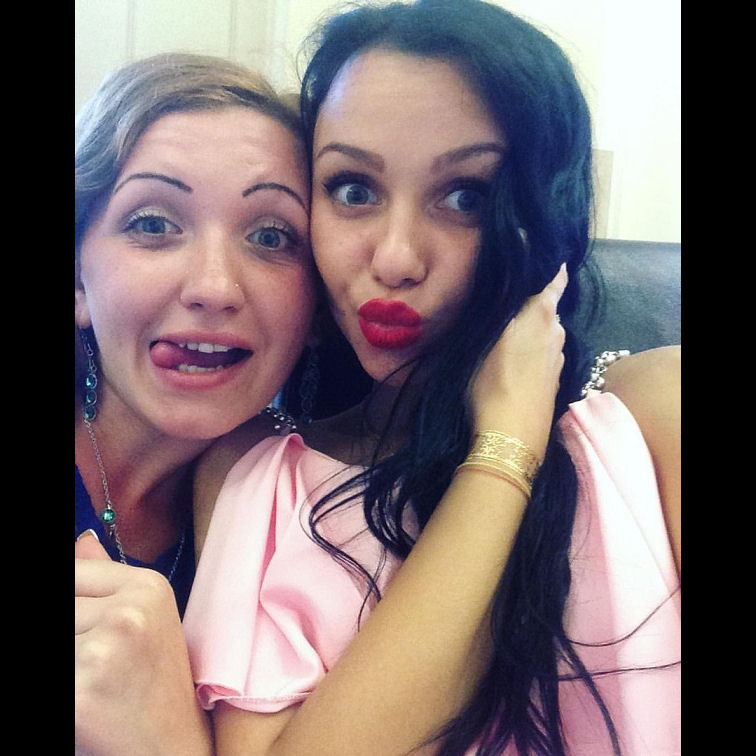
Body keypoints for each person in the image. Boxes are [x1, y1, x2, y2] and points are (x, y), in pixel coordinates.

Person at [184, 2, 681, 754]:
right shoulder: (254, 475)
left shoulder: (651, 418)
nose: (395, 259)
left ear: (544, 212)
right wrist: (506, 445)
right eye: (353, 189)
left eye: (466, 196)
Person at [74, 53, 318, 755]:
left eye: (270, 237)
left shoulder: (308, 521)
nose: (214, 287)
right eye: (154, 224)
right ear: (79, 282)